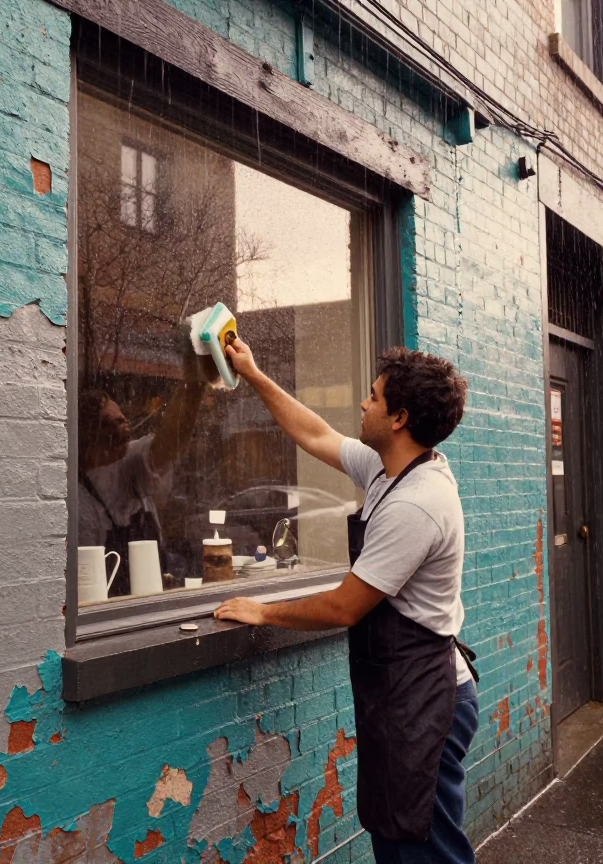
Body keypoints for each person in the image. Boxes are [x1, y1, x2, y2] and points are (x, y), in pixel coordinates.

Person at [214, 338, 477, 864]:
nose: (363, 404)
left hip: (426, 703)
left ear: (399, 418)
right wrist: (254, 374)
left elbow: (343, 608)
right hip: (403, 697)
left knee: (424, 851)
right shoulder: (387, 470)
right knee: (398, 842)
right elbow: (314, 433)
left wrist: (264, 611)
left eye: (373, 397)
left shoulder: (418, 503)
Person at [78, 376, 207, 596]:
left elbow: (171, 440)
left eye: (123, 418)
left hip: (151, 600)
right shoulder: (75, 495)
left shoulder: (130, 461)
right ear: (91, 434)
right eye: (113, 422)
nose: (124, 422)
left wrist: (195, 381)